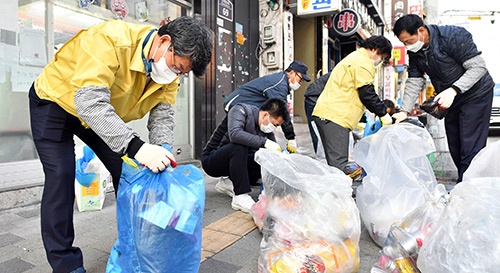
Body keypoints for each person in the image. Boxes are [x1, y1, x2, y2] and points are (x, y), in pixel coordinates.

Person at [28, 17, 212, 273]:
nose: (175, 74)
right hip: (55, 101)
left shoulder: (170, 73)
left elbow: (163, 114)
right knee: (61, 175)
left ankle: (140, 249)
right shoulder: (110, 39)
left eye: (182, 72)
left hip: (98, 116)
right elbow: (89, 102)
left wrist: (162, 152)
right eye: (176, 66)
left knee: (132, 172)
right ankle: (65, 264)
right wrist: (137, 147)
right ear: (164, 41)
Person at [392, 14, 494, 182]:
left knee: (470, 146)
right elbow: (415, 81)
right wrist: (404, 111)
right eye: (403, 43)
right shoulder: (416, 52)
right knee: (455, 145)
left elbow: (478, 67)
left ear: (421, 31)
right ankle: (467, 183)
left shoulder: (453, 36)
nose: (407, 46)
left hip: (476, 94)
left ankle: (467, 189)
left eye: (409, 41)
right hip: (451, 99)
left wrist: (454, 89)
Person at [312, 36, 393, 174]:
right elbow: (367, 93)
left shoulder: (354, 58)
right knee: (339, 166)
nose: (380, 61)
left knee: (334, 165)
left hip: (329, 114)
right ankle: (338, 195)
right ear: (375, 50)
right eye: (382, 56)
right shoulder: (363, 62)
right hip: (336, 116)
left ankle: (335, 194)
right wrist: (383, 113)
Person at [201, 98, 289, 213]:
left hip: (235, 162)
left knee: (266, 159)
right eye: (275, 124)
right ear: (265, 115)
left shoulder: (265, 129)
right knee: (239, 146)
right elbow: (235, 134)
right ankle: (240, 196)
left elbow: (273, 155)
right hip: (212, 161)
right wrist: (264, 142)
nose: (274, 128)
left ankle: (228, 183)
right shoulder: (240, 110)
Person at [223, 60, 311, 154]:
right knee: (242, 141)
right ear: (292, 73)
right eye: (300, 79)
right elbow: (283, 112)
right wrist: (290, 138)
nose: (301, 82)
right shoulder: (279, 84)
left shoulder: (281, 81)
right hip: (236, 104)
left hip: (247, 107)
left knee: (254, 141)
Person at [304, 72, 331, 153]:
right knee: (317, 130)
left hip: (320, 99)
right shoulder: (340, 74)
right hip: (313, 100)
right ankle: (321, 156)